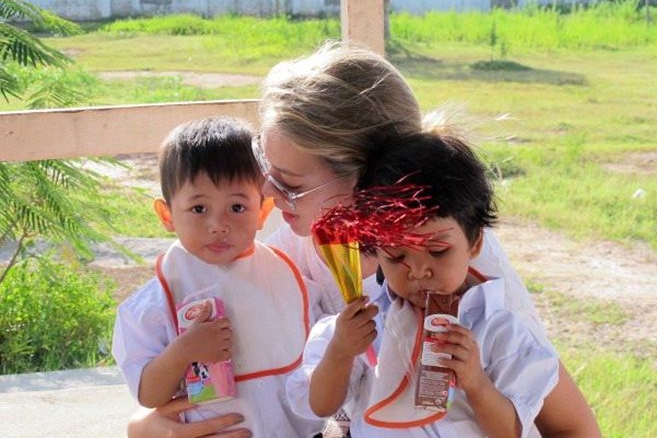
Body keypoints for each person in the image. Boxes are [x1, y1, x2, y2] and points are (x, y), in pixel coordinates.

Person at [127, 42, 601, 437]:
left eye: (290, 183)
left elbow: (574, 427)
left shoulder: (464, 276)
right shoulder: (288, 247)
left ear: (372, 184)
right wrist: (145, 427)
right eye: (267, 170)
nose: (268, 193)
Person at [287, 131, 560, 437]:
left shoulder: (501, 332)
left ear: (474, 243)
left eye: (438, 251)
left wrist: (476, 383)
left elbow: (512, 433)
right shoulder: (364, 325)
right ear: (375, 250)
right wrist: (340, 350)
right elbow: (320, 406)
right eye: (395, 255)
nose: (417, 271)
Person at [112, 116, 322, 438]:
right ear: (167, 215)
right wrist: (183, 350)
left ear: (263, 212)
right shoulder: (152, 305)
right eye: (199, 209)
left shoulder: (289, 277)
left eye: (237, 207)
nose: (218, 225)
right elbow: (149, 395)